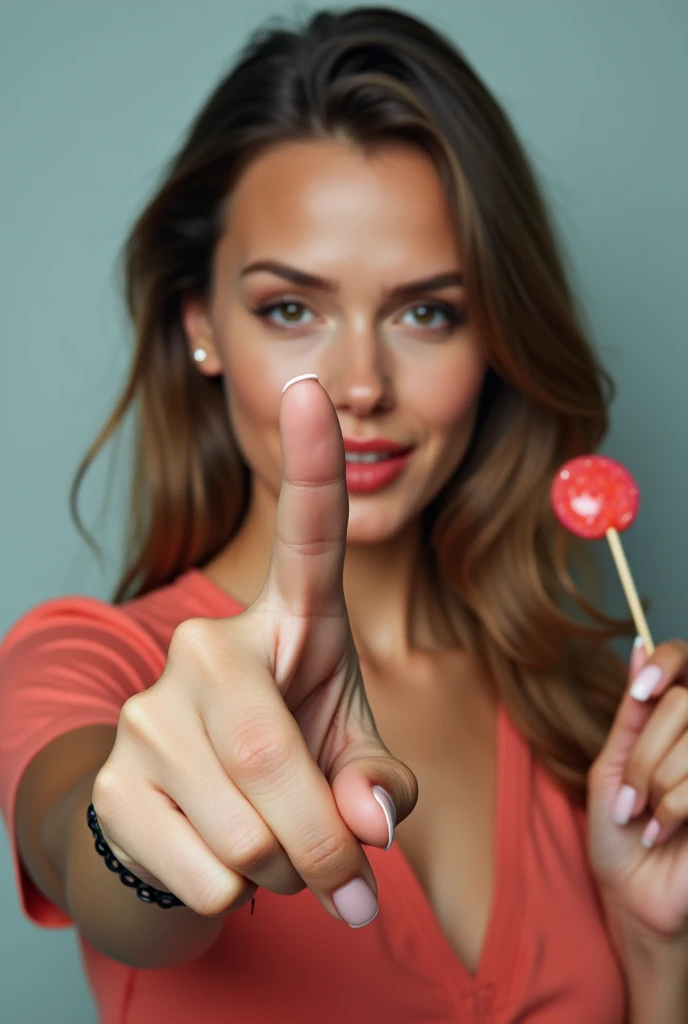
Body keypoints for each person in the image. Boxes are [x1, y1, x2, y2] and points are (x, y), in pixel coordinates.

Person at [1, 6, 687, 1022]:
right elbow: (91, 856)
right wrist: (131, 834)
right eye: (291, 307)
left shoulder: (586, 717)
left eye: (428, 311)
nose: (360, 383)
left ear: (493, 339)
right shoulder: (91, 666)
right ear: (201, 325)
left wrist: (651, 942)